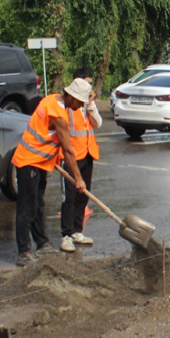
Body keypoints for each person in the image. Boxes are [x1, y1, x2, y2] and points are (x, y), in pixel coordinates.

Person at [11, 79, 87, 266]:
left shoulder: (52, 100)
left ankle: (42, 243)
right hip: (29, 162)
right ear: (71, 96)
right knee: (27, 208)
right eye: (80, 101)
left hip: (40, 163)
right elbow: (68, 150)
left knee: (38, 205)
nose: (81, 105)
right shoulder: (58, 115)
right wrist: (78, 179)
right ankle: (24, 251)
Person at [60, 69, 101, 253]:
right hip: (71, 157)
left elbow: (97, 123)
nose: (90, 87)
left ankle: (77, 231)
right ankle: (66, 235)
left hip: (87, 154)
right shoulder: (69, 104)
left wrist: (91, 104)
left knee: (83, 195)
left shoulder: (86, 105)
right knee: (69, 198)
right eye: (87, 83)